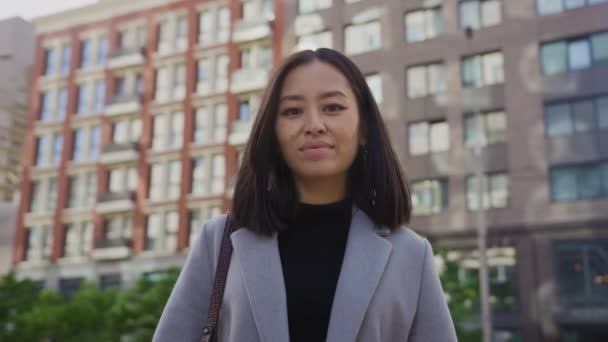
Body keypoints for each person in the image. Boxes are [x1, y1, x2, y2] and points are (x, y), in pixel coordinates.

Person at [152, 48, 457, 342]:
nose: (314, 125)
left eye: (332, 108)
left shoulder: (411, 254)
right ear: (273, 132)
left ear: (364, 127)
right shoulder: (218, 241)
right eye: (292, 111)